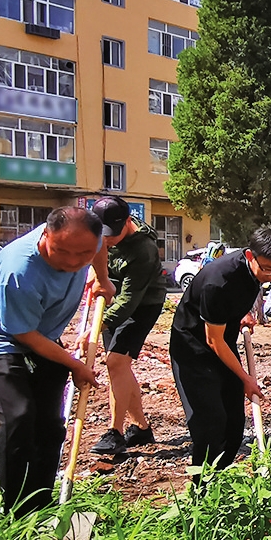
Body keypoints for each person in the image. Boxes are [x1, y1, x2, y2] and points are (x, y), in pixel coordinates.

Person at [0, 207, 113, 516]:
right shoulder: (20, 270)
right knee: (19, 414)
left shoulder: (89, 243)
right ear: (46, 235)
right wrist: (74, 364)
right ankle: (15, 510)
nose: (71, 261)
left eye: (81, 253)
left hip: (39, 332)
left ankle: (41, 503)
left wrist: (103, 280)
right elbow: (23, 334)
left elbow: (100, 248)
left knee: (50, 424)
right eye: (62, 251)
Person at [169, 229, 271, 473]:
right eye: (268, 269)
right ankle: (202, 492)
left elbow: (230, 308)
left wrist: (240, 316)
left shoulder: (255, 271)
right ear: (250, 255)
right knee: (211, 425)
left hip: (223, 344)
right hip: (194, 350)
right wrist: (246, 378)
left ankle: (220, 481)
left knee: (234, 424)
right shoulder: (219, 280)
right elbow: (213, 340)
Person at [90, 197, 164, 460]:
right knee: (118, 366)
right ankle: (141, 428)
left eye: (112, 234)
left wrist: (97, 327)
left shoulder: (143, 250)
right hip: (111, 300)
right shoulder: (99, 232)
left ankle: (115, 432)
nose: (107, 240)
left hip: (142, 305)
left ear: (127, 223)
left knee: (115, 362)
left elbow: (128, 302)